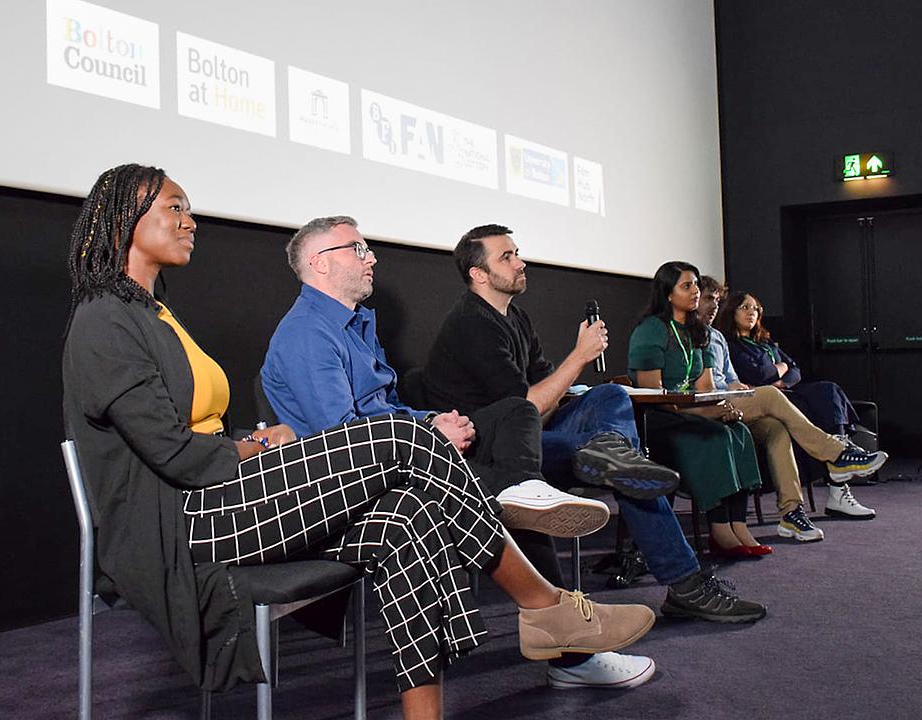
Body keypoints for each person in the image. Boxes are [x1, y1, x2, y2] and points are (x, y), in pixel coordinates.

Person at [61, 166, 654, 720]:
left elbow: (188, 431)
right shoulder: (104, 320)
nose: (191, 219)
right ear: (123, 221)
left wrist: (248, 441)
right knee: (401, 437)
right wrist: (256, 448)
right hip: (184, 521)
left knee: (407, 517)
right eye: (174, 207)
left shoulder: (155, 313)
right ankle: (545, 604)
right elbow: (173, 454)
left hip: (221, 495)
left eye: (190, 208)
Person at [262, 216, 656, 691]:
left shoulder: (356, 325)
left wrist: (431, 420)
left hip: (400, 453)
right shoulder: (308, 332)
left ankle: (524, 499)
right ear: (319, 264)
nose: (372, 257)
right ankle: (567, 641)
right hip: (351, 485)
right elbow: (343, 435)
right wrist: (428, 432)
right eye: (358, 249)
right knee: (499, 499)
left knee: (514, 413)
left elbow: (385, 409)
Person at [421, 225, 767, 629]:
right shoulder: (471, 324)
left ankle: (609, 451)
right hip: (497, 453)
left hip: (536, 431)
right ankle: (685, 584)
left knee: (613, 402)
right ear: (478, 274)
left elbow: (550, 389)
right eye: (507, 257)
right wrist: (580, 356)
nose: (521, 262)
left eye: (517, 253)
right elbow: (525, 407)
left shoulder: (515, 316)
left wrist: (585, 396)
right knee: (628, 473)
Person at [698, 277, 886, 536]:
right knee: (774, 397)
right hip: (712, 405)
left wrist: (739, 384)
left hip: (741, 400)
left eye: (717, 300)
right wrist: (770, 374)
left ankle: (791, 512)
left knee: (784, 423)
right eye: (708, 299)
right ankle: (838, 454)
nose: (713, 306)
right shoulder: (709, 338)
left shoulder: (719, 337)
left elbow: (739, 377)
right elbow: (757, 374)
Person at [628, 261, 774, 567]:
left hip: (693, 412)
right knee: (717, 435)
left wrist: (719, 408)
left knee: (739, 432)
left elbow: (706, 385)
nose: (695, 291)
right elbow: (651, 394)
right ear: (668, 294)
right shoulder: (651, 330)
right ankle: (719, 529)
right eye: (687, 286)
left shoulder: (699, 331)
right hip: (660, 419)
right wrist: (707, 414)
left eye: (696, 285)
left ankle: (739, 524)